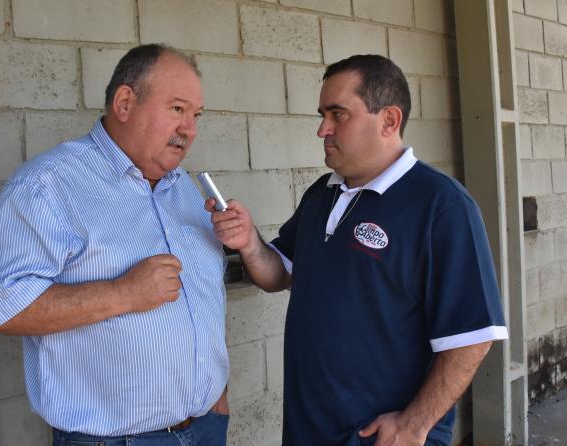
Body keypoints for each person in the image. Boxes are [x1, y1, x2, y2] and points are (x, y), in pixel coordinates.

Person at [207, 54, 508, 446]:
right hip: (307, 431)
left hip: (380, 437)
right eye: (322, 115)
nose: (322, 129)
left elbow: (472, 337)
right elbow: (279, 273)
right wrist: (249, 242)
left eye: (338, 114)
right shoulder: (322, 194)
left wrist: (414, 424)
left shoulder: (441, 205)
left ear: (389, 121)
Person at [0, 44, 230, 446]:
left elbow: (203, 302)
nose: (190, 129)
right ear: (125, 103)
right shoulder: (48, 185)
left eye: (196, 115)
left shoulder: (183, 188)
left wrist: (216, 394)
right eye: (177, 109)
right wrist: (122, 293)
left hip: (205, 427)